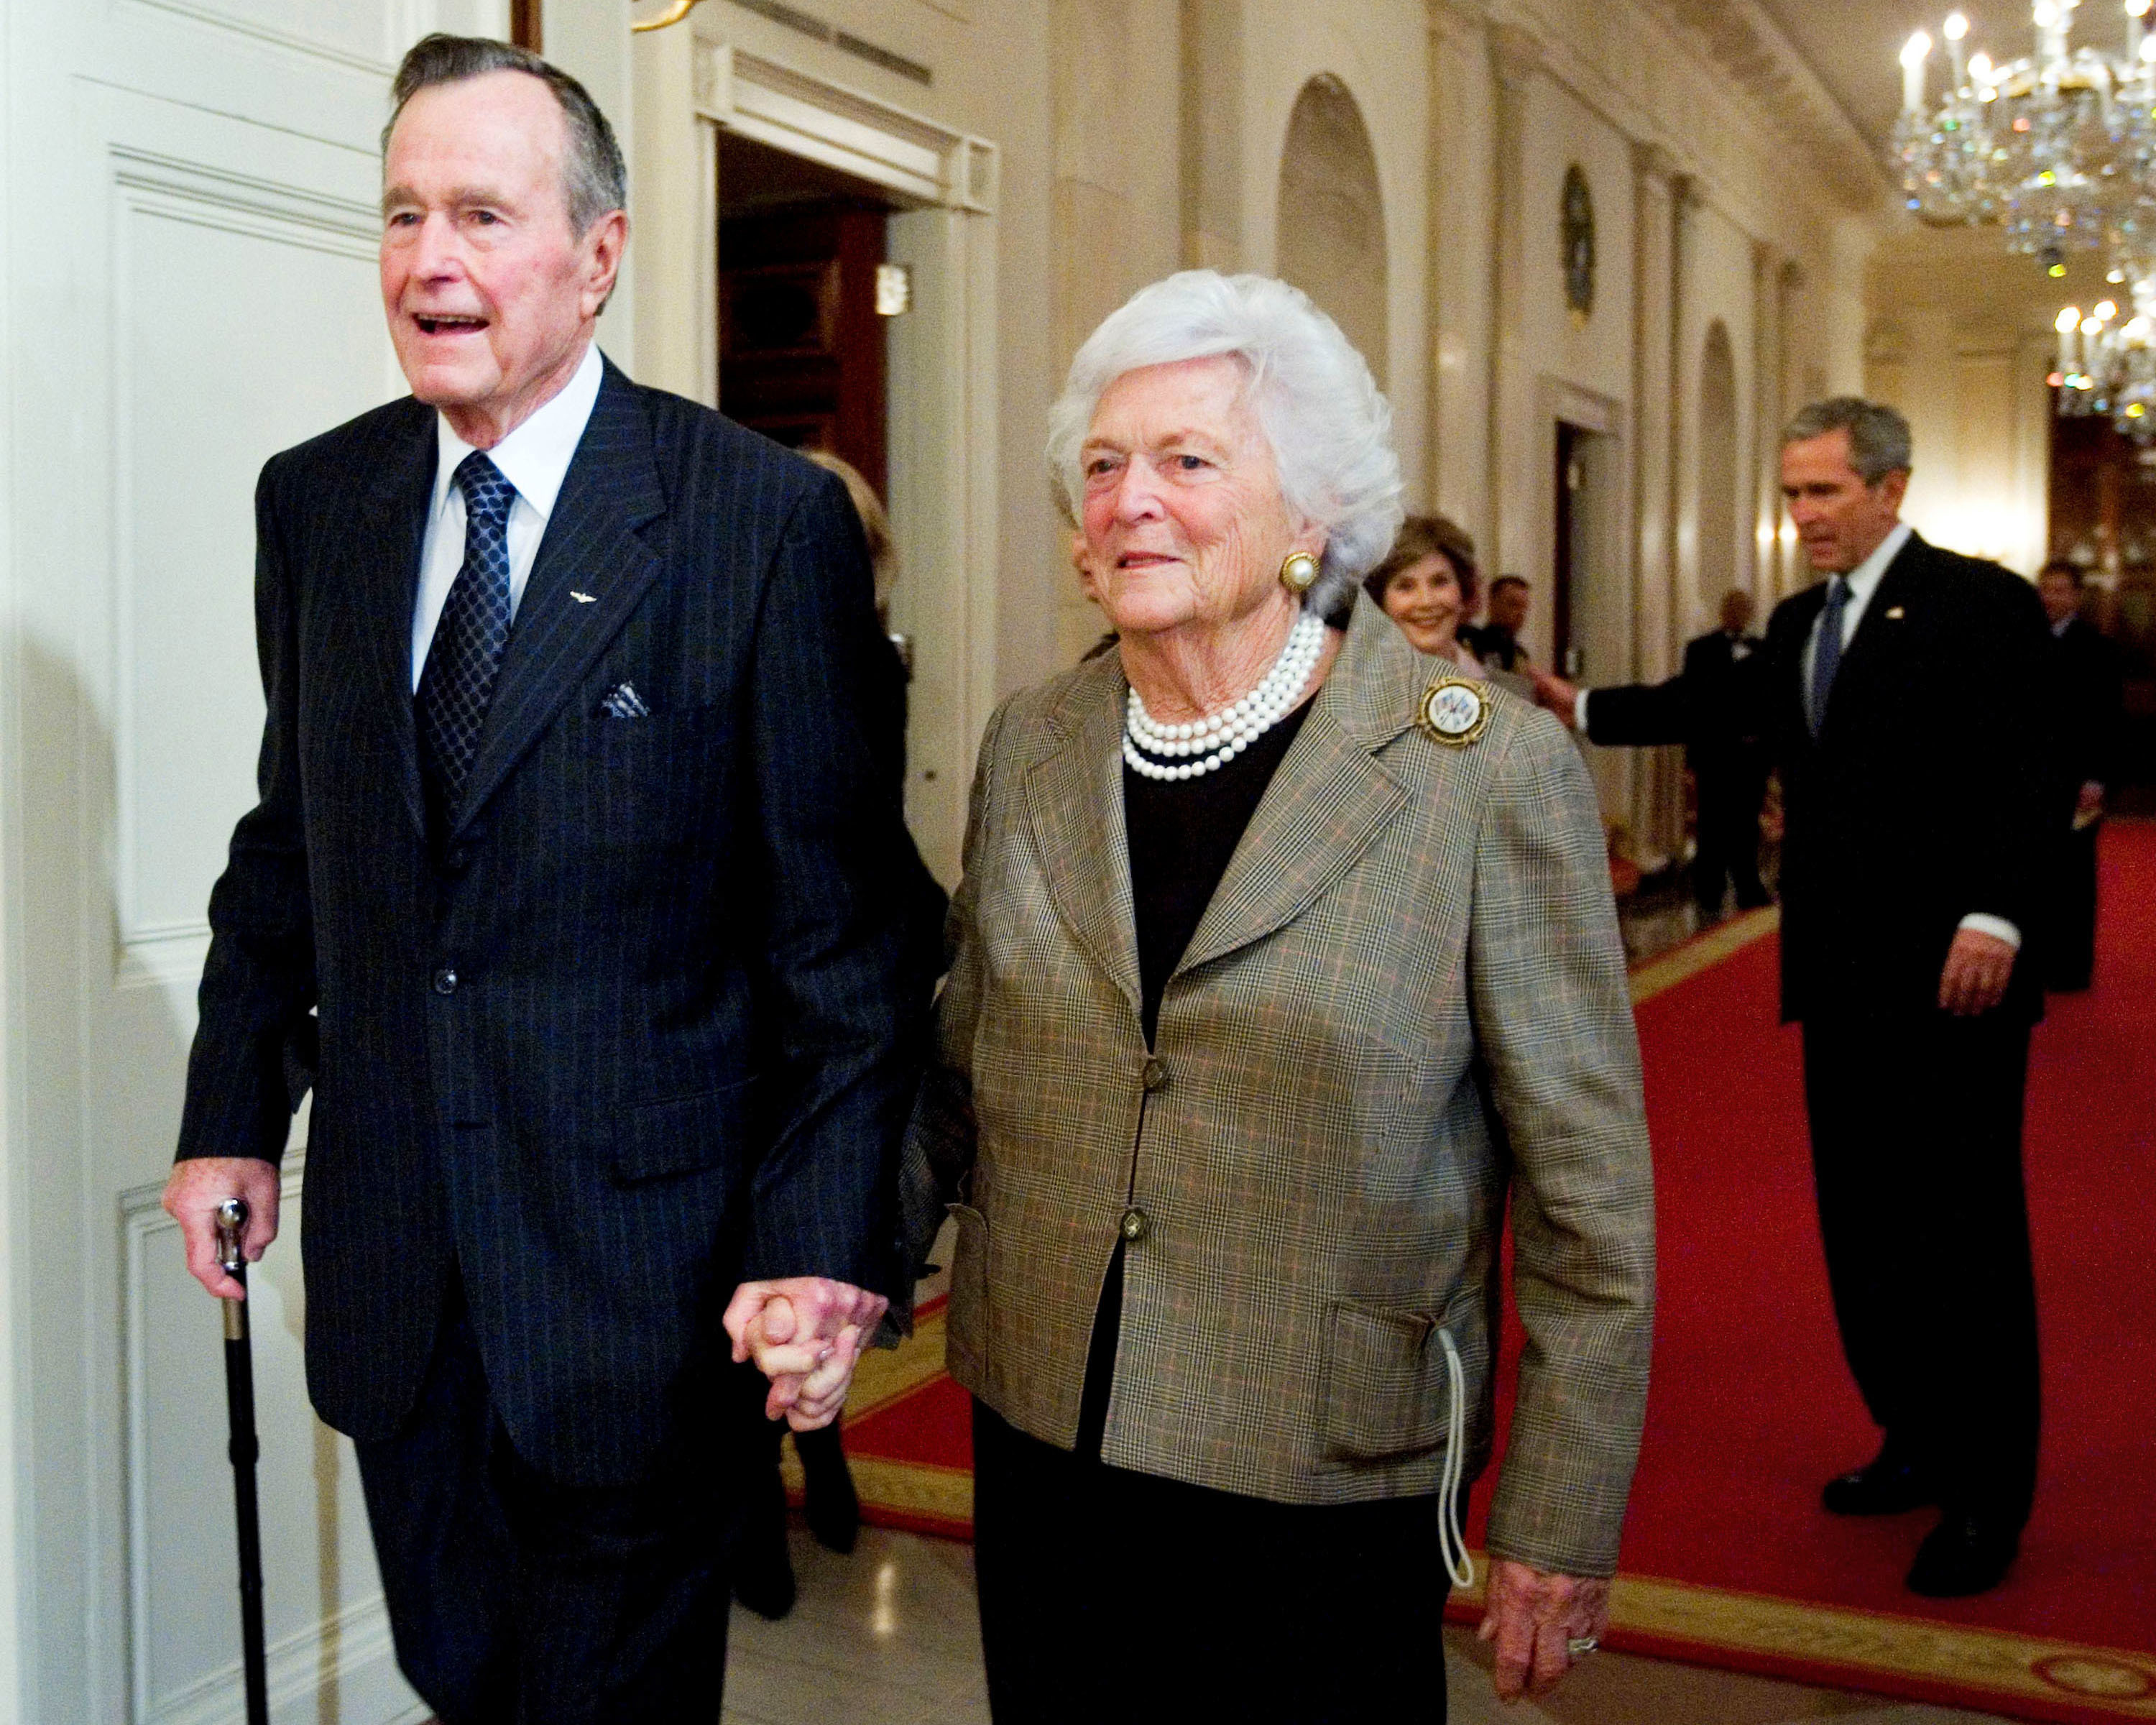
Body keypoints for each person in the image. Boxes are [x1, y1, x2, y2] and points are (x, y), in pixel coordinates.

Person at [160, 36, 938, 1724]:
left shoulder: (749, 523)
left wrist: (817, 1246)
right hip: (399, 1288)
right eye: (401, 215)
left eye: (483, 216)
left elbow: (847, 948)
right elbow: (292, 842)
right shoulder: (322, 506)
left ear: (597, 255)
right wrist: (229, 1104)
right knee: (465, 1679)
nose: (430, 260)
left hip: (644, 1301)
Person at [901, 270, 1656, 1723]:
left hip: (1315, 1461)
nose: (1132, 500)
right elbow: (962, 1068)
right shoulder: (1037, 741)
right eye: (1105, 466)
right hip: (1045, 1427)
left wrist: (1557, 1518)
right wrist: (837, 1263)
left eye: (1189, 462)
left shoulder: (1481, 770)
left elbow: (1588, 1199)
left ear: (1311, 521)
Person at [1532, 397, 2054, 1598]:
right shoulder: (1798, 617)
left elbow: (2028, 771)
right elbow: (1727, 706)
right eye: (1792, 495)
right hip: (1841, 978)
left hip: (1955, 982)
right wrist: (1585, 708)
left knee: (1962, 1241)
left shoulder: (1982, 604)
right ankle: (1912, 1438)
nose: (1804, 516)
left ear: (1892, 488)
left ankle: (1986, 1498)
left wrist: (1997, 915)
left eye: (1823, 492)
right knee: (1865, 1229)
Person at [1537, 588, 1771, 921]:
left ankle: (1748, 888)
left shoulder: (1768, 646)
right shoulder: (1703, 647)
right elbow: (1692, 701)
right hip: (1713, 756)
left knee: (1745, 823)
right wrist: (1586, 707)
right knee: (1712, 825)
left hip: (1751, 759)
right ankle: (1709, 892)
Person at [2035, 558, 2124, 990]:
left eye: (2058, 590)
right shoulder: (2023, 642)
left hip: (2078, 778)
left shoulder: (2098, 649)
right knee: (2034, 870)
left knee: (2073, 874)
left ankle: (2070, 968)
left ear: (2076, 596)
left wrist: (2097, 777)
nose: (2049, 598)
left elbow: (2109, 721)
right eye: (2044, 588)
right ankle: (2032, 960)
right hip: (2032, 777)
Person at [1364, 512, 1486, 672]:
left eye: (1440, 582)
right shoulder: (1349, 690)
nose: (1426, 602)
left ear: (1463, 590)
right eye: (1405, 587)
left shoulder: (1510, 691)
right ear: (1380, 600)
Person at [1463, 571, 1531, 670]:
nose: (1520, 613)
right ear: (1493, 603)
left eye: (1524, 607)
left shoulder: (1520, 655)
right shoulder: (1470, 642)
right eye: (1514, 604)